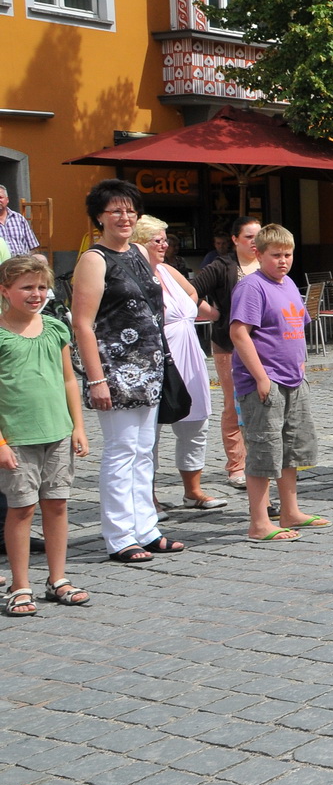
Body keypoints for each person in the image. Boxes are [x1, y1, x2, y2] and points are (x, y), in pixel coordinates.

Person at [71, 179, 184, 565]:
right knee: (121, 452)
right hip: (116, 370)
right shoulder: (94, 259)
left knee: (143, 452)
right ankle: (119, 536)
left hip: (149, 368)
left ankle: (146, 529)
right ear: (99, 217)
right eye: (115, 210)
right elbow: (83, 324)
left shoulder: (138, 251)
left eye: (129, 210)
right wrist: (97, 377)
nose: (124, 216)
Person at [0, 254, 91, 616]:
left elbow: (69, 379)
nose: (36, 294)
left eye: (41, 287)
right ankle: (21, 584)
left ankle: (57, 578)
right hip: (18, 436)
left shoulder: (55, 328)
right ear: (5, 291)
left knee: (57, 504)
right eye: (27, 287)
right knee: (21, 509)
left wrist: (78, 426)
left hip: (57, 432)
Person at [232, 224, 328, 542]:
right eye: (276, 255)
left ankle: (290, 511)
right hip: (265, 381)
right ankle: (259, 522)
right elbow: (239, 333)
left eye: (288, 255)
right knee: (264, 448)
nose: (283, 261)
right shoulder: (252, 287)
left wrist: (300, 363)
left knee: (291, 448)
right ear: (258, 254)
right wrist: (261, 377)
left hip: (293, 379)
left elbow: (298, 324)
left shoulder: (287, 284)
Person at [132, 216, 223, 510]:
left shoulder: (168, 270)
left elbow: (193, 293)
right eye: (156, 240)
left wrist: (208, 312)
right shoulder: (133, 275)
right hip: (158, 358)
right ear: (138, 243)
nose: (164, 245)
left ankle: (192, 490)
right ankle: (149, 496)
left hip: (189, 353)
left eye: (165, 239)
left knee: (196, 423)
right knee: (151, 431)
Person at [192, 215, 263, 490]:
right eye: (249, 237)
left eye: (259, 237)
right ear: (235, 239)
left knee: (264, 402)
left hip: (263, 345)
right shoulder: (223, 266)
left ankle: (261, 460)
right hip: (229, 344)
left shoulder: (267, 262)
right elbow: (189, 291)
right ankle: (237, 465)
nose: (255, 243)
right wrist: (211, 313)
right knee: (234, 403)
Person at [0, 184, 42, 259]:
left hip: (23, 261)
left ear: (7, 200)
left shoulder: (19, 218)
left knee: (41, 259)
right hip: (3, 264)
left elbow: (34, 247)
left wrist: (26, 257)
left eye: (0, 197)